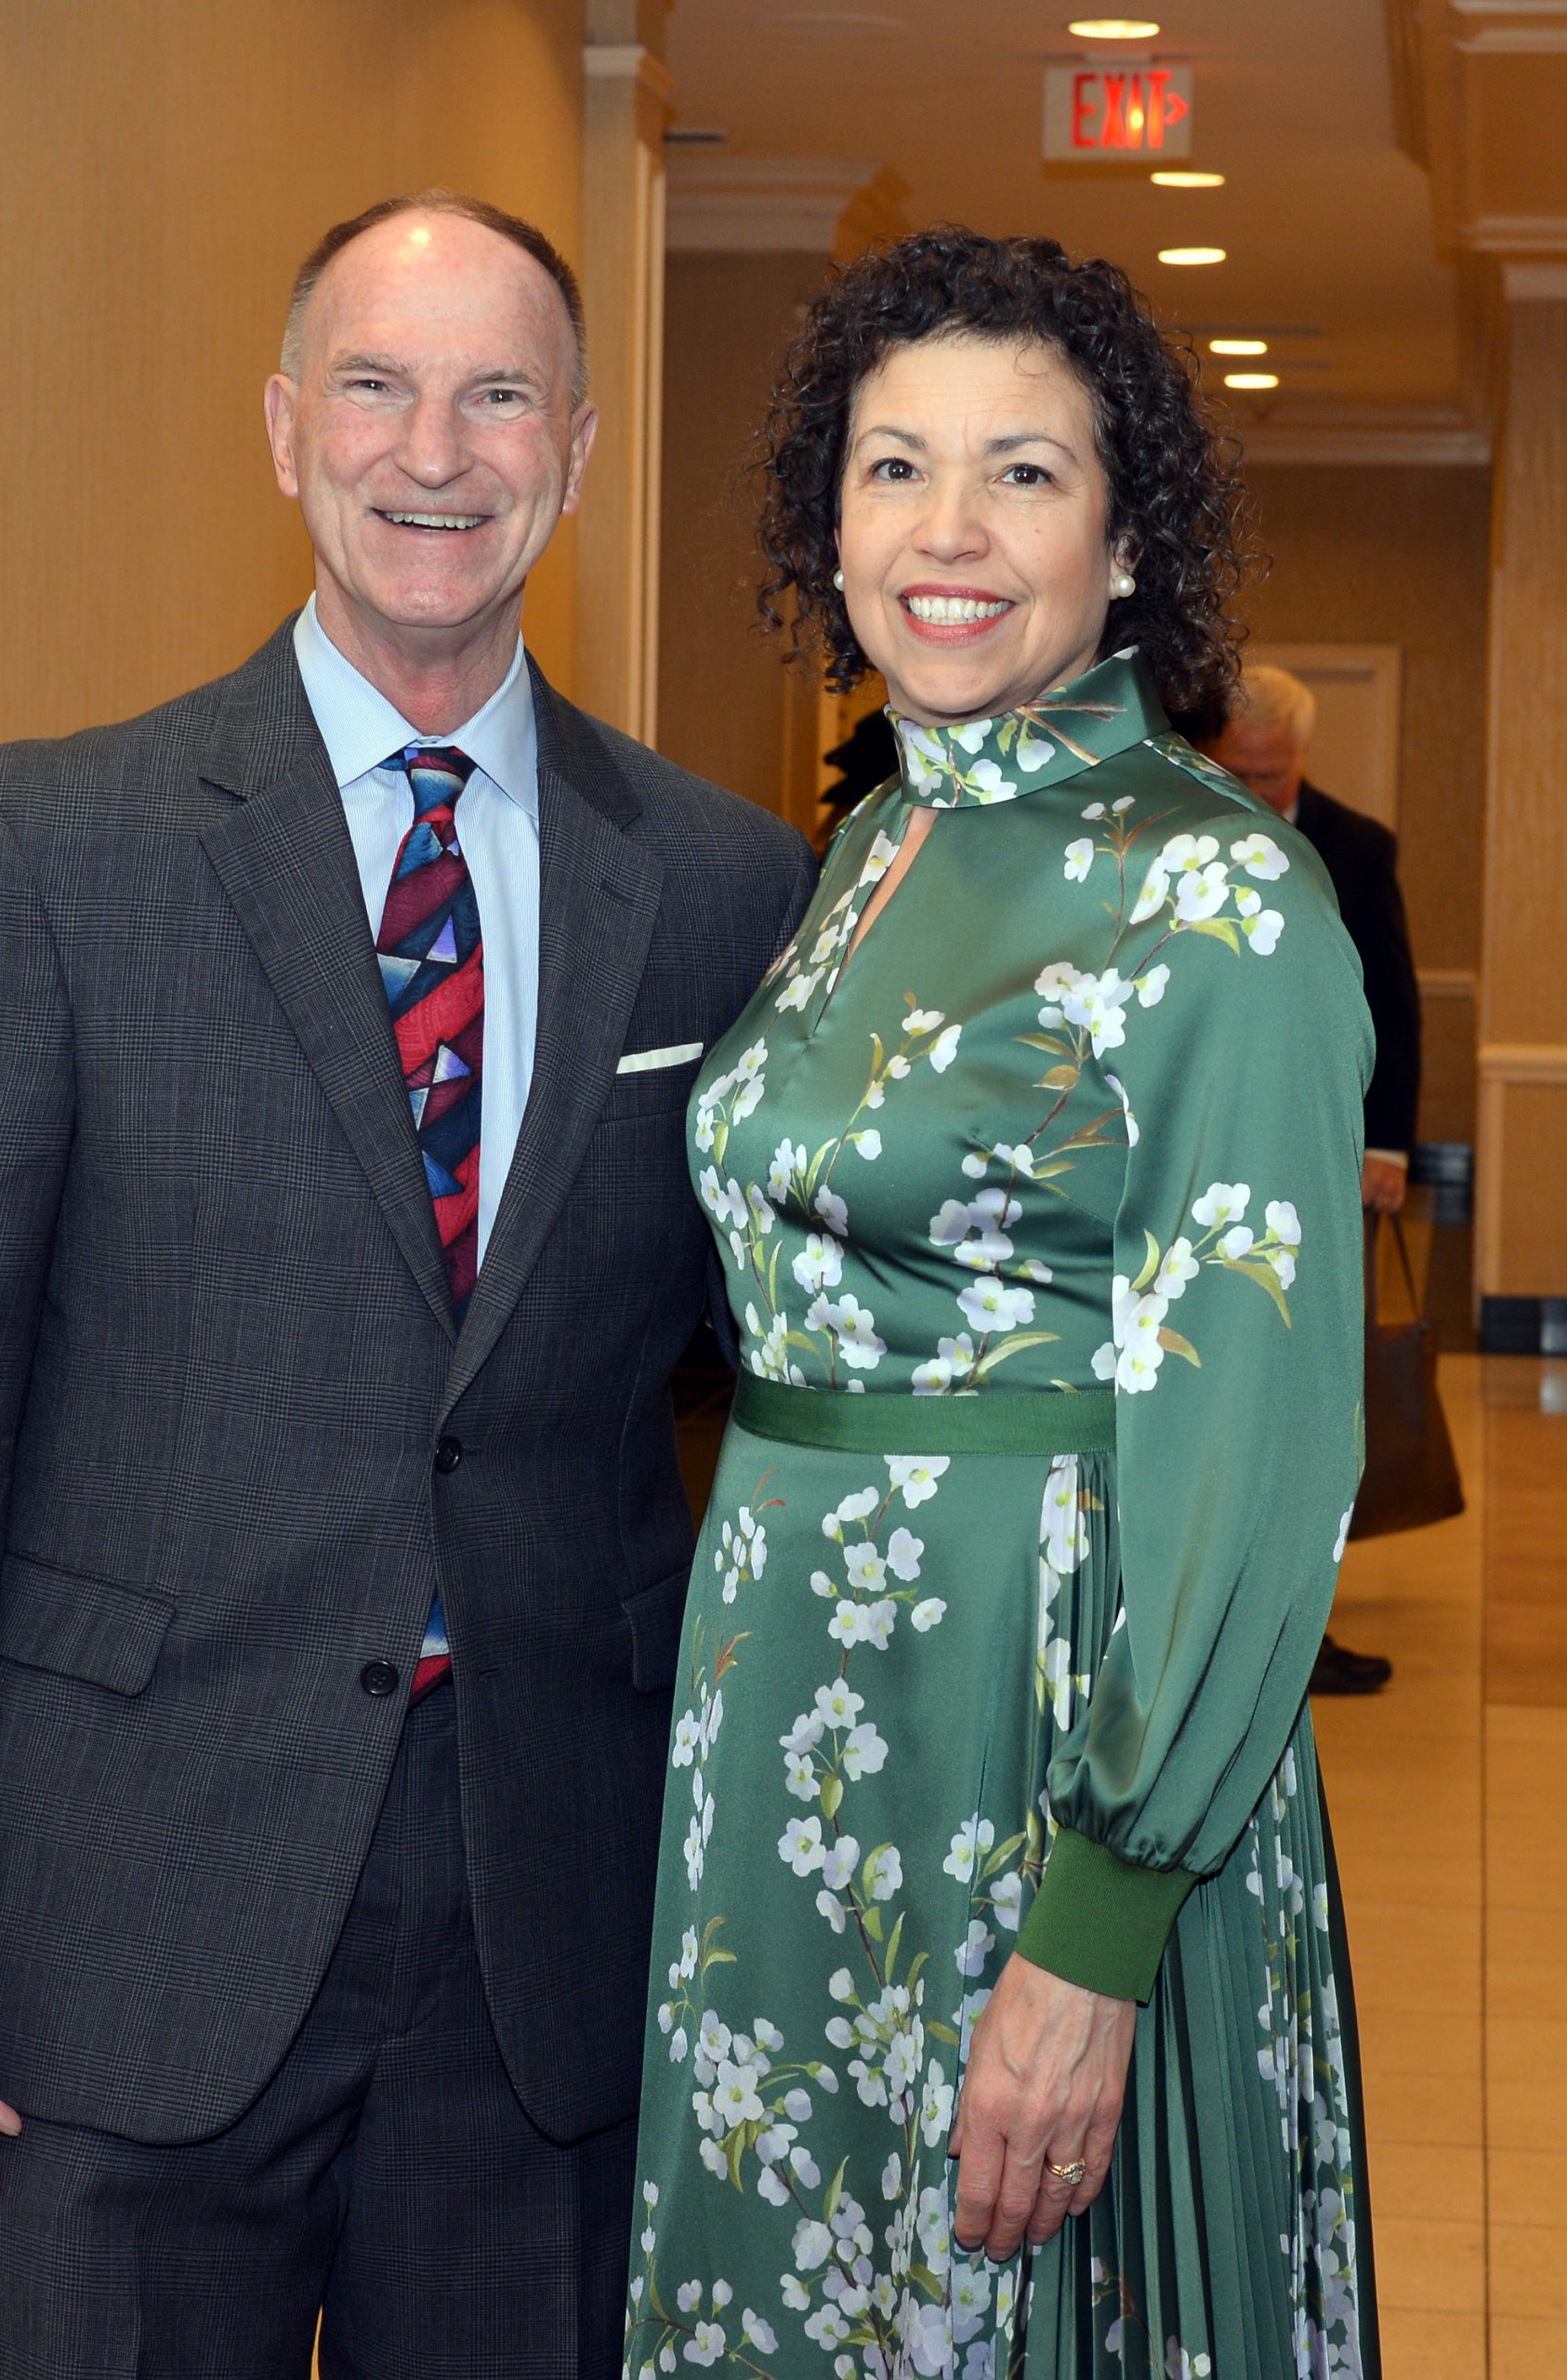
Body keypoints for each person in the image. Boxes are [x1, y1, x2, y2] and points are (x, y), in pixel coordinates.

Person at [0, 190, 817, 2379]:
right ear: (281, 429)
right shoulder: (57, 850)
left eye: (497, 395)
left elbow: (788, 1373)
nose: (433, 452)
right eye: (375, 386)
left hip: (546, 1917)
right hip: (116, 1907)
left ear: (576, 450)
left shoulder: (725, 886)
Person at [622, 228, 1379, 2380]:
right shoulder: (873, 840)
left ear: (1125, 541)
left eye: (1020, 473)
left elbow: (1252, 1458)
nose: (944, 529)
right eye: (893, 467)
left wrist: (1097, 1928)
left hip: (1035, 1754)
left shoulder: (1210, 888)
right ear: (828, 523)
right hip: (793, 1732)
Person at [1206, 663, 1422, 1697]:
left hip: (1326, 1155)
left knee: (1316, 1394)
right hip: (1216, 1157)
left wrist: (1388, 1146)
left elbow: (1393, 998)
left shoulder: (1357, 846)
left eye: (1273, 773)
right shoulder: (1178, 832)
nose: (1256, 790)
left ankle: (1302, 1622)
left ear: (1300, 757)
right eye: (1239, 771)